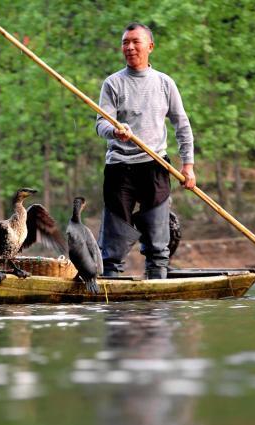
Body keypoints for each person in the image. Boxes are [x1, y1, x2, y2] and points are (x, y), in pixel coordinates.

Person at [95, 22, 196, 279]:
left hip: (155, 166)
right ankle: (110, 294)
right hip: (120, 169)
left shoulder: (165, 83)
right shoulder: (113, 83)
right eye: (125, 42)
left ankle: (157, 293)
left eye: (135, 42)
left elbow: (181, 125)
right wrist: (115, 131)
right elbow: (101, 123)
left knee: (157, 246)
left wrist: (188, 166)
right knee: (112, 248)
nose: (129, 47)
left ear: (150, 46)